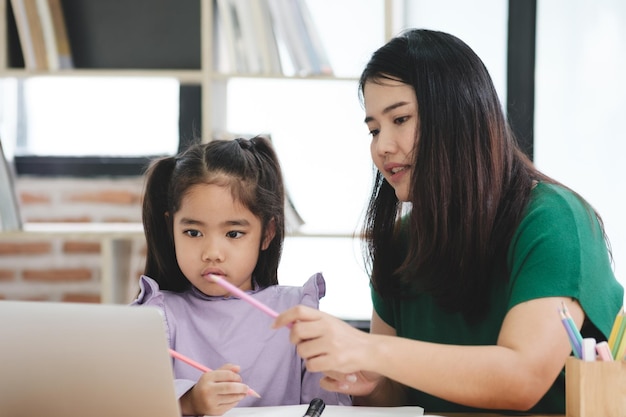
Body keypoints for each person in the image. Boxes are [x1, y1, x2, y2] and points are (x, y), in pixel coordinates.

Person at [273, 29, 624, 414]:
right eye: (374, 129)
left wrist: (369, 348)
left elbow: (521, 378)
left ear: (458, 117)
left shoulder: (553, 221)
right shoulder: (400, 242)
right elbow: (396, 396)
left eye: (400, 119)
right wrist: (369, 383)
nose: (382, 146)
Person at [132, 136, 350, 416]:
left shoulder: (297, 315)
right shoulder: (157, 317)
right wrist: (188, 402)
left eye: (233, 234)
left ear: (267, 234)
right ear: (170, 229)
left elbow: (328, 408)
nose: (212, 253)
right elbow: (125, 402)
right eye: (193, 232)